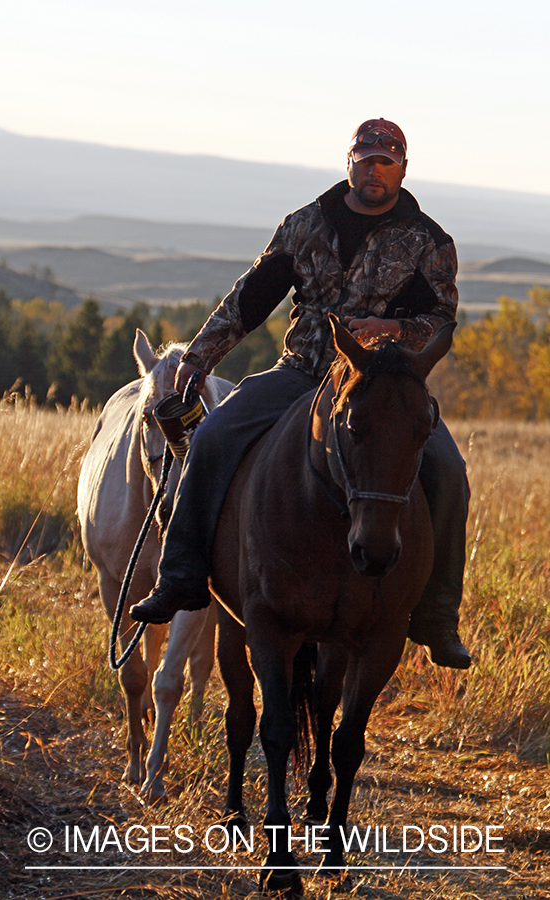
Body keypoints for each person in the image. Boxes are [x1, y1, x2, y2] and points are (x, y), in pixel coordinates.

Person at [130, 117, 471, 669]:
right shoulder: (305, 224)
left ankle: (437, 615)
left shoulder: (429, 240)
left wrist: (390, 332)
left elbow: (441, 319)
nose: (375, 171)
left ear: (403, 170)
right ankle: (182, 576)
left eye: (386, 162)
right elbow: (251, 297)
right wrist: (198, 356)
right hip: (303, 371)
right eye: (366, 160)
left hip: (381, 387)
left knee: (449, 471)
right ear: (350, 163)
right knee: (214, 434)